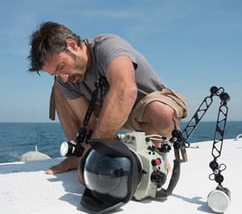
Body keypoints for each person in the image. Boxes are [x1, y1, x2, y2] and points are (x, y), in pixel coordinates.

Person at [27, 21, 188, 183]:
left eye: (61, 66)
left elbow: (125, 92)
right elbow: (87, 123)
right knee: (59, 89)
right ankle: (78, 155)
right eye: (54, 73)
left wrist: (94, 154)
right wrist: (86, 153)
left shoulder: (108, 46)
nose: (63, 76)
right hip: (108, 110)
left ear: (72, 45)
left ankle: (155, 153)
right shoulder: (64, 80)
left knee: (161, 112)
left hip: (146, 108)